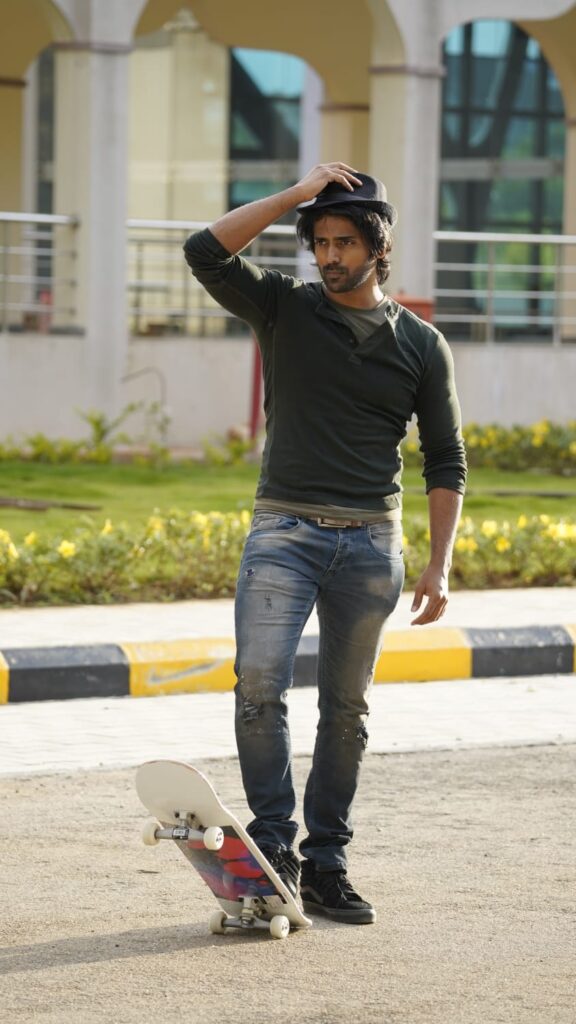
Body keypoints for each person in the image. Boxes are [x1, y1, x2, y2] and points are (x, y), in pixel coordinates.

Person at [184, 162, 467, 925]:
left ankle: (327, 863)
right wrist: (295, 196)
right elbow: (204, 251)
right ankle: (274, 848)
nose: (330, 256)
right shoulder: (284, 306)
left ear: (379, 248)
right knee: (258, 688)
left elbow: (446, 459)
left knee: (346, 709)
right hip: (283, 532)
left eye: (345, 242)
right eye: (320, 242)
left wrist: (438, 564)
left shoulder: (422, 345)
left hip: (372, 546)